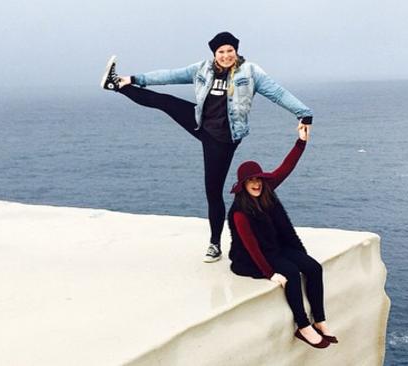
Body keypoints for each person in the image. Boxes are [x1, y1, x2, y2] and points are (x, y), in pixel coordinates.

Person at [100, 31, 313, 263]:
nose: (226, 55)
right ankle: (117, 84)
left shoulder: (250, 72)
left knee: (213, 191)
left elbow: (277, 93)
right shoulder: (203, 69)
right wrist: (134, 78)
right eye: (221, 51)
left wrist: (304, 114)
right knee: (165, 101)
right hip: (200, 123)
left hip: (222, 140)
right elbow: (170, 75)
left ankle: (214, 244)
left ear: (236, 51)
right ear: (214, 53)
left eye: (230, 51)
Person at [227, 125, 337, 348]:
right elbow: (250, 246)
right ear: (243, 185)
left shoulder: (267, 189)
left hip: (278, 246)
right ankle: (303, 326)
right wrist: (269, 273)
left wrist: (301, 142)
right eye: (250, 181)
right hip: (255, 256)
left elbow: (286, 167)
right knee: (292, 275)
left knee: (314, 268)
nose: (256, 184)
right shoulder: (239, 212)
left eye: (258, 179)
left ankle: (320, 320)